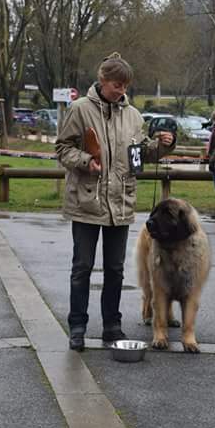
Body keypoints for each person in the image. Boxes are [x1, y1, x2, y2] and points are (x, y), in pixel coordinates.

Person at [56, 52, 176, 351]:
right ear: (102, 80)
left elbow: (139, 156)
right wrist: (86, 161)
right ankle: (78, 327)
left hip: (121, 204)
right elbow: (62, 148)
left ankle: (112, 326)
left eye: (125, 86)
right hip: (87, 202)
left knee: (115, 269)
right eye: (116, 85)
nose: (121, 90)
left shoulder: (134, 116)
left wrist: (161, 148)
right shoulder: (79, 109)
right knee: (82, 267)